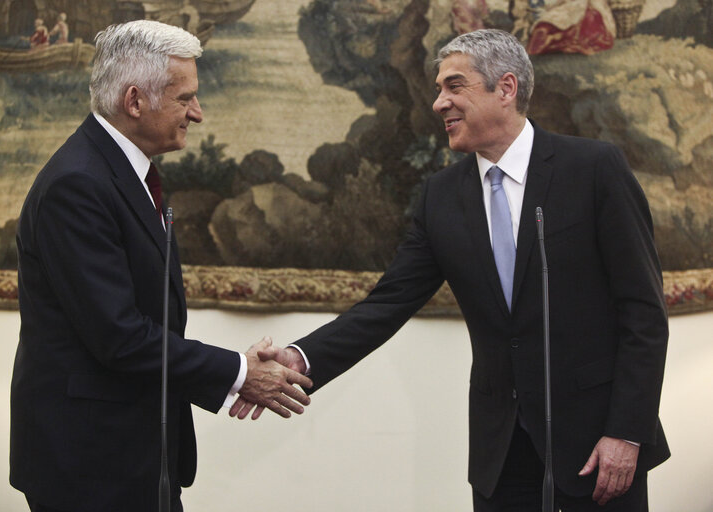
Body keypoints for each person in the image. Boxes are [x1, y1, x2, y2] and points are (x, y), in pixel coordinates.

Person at [231, 29, 670, 511]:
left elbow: (643, 312)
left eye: (453, 86)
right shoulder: (442, 195)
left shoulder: (592, 169)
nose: (439, 103)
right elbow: (387, 304)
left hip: (597, 445)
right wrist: (300, 357)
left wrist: (627, 432)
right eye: (438, 90)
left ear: (505, 89)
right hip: (500, 454)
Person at [11, 20, 312, 512]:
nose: (198, 112)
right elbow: (120, 337)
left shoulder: (126, 171)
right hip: (89, 467)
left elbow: (150, 318)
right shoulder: (78, 185)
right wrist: (238, 371)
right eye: (185, 98)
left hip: (134, 454)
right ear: (135, 101)